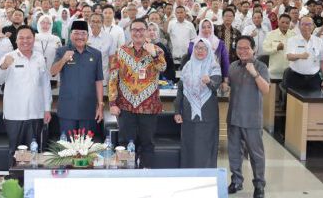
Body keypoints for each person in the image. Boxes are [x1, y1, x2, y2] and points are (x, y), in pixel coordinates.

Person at [108, 19, 166, 168]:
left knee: (147, 144)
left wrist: (153, 53)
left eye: (141, 29)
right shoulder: (120, 51)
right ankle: (125, 176)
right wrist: (112, 103)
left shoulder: (157, 50)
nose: (138, 32)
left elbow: (162, 67)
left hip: (149, 107)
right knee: (124, 143)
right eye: (135, 30)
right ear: (130, 32)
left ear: (147, 31)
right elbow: (113, 78)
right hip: (125, 107)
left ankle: (146, 177)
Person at [0, 25, 52, 166]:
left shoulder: (39, 58)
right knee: (15, 152)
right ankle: (15, 183)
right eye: (21, 38)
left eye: (28, 38)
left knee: (34, 152)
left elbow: (45, 84)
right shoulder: (8, 57)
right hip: (14, 115)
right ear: (16, 40)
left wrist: (47, 108)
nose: (25, 41)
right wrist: (3, 67)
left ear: (34, 39)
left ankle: (32, 183)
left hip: (36, 113)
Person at [227, 35, 270, 198]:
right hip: (234, 117)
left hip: (252, 118)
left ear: (254, 49)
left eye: (246, 48)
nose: (242, 51)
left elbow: (266, 90)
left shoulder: (261, 66)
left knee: (256, 154)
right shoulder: (233, 66)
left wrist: (255, 74)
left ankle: (259, 184)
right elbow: (227, 86)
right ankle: (236, 180)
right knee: (234, 153)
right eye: (239, 48)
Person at [174, 38, 222, 168]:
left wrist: (209, 82)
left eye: (203, 48)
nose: (199, 51)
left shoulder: (214, 66)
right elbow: (180, 90)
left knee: (206, 147)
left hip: (207, 116)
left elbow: (216, 86)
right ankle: (189, 178)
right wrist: (177, 111)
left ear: (208, 51)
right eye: (197, 48)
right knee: (189, 147)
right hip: (188, 114)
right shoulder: (187, 66)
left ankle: (206, 178)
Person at [51, 20, 104, 134]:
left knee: (86, 148)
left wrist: (100, 105)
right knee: (67, 147)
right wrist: (64, 59)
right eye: (76, 33)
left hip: (88, 109)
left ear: (88, 36)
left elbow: (99, 81)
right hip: (67, 109)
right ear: (70, 35)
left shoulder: (96, 54)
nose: (80, 37)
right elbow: (53, 72)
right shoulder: (62, 51)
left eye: (83, 33)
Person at [286, 16, 323, 91]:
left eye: (309, 24)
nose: (306, 27)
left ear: (313, 26)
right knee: (293, 102)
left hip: (314, 79)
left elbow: (322, 61)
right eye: (303, 24)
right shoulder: (292, 40)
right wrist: (300, 56)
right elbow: (289, 57)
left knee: (314, 101)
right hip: (296, 78)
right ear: (299, 26)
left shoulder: (319, 41)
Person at [187, 19, 230, 88]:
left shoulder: (219, 43)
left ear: (212, 28)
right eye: (203, 27)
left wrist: (225, 80)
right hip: (196, 79)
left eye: (209, 27)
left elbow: (225, 62)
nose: (206, 29)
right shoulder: (193, 44)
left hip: (215, 78)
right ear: (200, 29)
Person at [262, 14, 296, 81]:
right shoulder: (271, 34)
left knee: (289, 91)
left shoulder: (293, 35)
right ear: (278, 22)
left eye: (287, 23)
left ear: (290, 24)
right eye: (282, 22)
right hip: (274, 74)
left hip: (290, 72)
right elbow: (265, 50)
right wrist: (276, 48)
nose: (285, 24)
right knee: (274, 91)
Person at [87, 12, 115, 84]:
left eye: (98, 22)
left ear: (102, 23)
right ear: (89, 22)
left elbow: (111, 58)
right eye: (93, 21)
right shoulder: (84, 37)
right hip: (86, 78)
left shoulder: (109, 38)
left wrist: (112, 78)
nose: (95, 24)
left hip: (103, 78)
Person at [34, 14, 62, 83]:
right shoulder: (33, 37)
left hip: (51, 72)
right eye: (43, 22)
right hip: (35, 72)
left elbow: (60, 56)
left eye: (48, 23)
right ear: (38, 23)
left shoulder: (56, 39)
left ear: (51, 25)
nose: (45, 25)